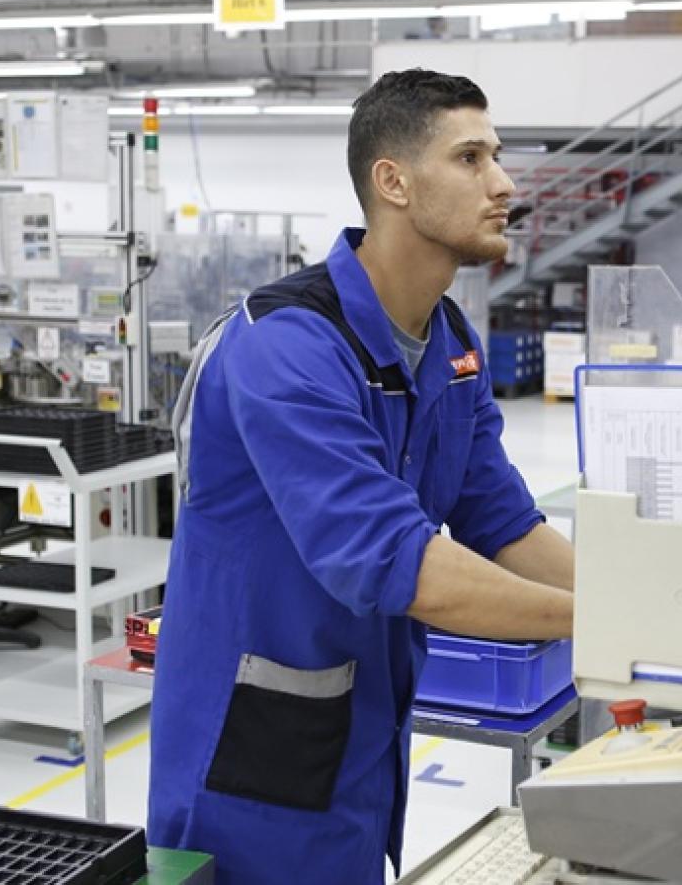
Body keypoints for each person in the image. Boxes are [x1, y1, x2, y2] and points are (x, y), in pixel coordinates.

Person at [147, 69, 575, 884]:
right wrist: (605, 618)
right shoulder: (287, 343)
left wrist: (648, 601)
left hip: (363, 738)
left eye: (496, 156)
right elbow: (394, 561)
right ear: (394, 182)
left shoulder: (451, 343)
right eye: (472, 158)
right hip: (249, 757)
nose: (504, 184)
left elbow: (503, 523)